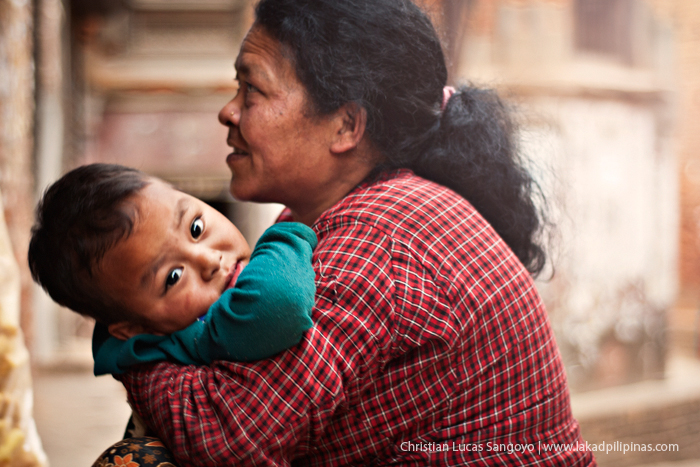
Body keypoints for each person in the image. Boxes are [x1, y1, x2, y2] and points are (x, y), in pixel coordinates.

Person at [93, 0, 597, 465]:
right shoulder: (315, 216)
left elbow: (229, 436)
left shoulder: (380, 241)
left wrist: (135, 353)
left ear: (345, 126)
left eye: (253, 90)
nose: (229, 111)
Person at [28, 163, 317, 375]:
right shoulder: (205, 333)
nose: (209, 260)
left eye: (196, 227)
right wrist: (288, 233)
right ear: (134, 328)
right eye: (173, 277)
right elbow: (282, 301)